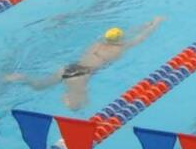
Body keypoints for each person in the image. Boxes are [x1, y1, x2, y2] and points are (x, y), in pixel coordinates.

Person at [15, 18, 161, 111]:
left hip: (69, 67)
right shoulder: (122, 47)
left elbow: (129, 33)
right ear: (120, 39)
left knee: (40, 85)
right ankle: (67, 98)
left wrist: (145, 23)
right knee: (76, 107)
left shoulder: (97, 43)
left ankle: (23, 78)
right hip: (80, 75)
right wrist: (154, 24)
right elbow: (141, 37)